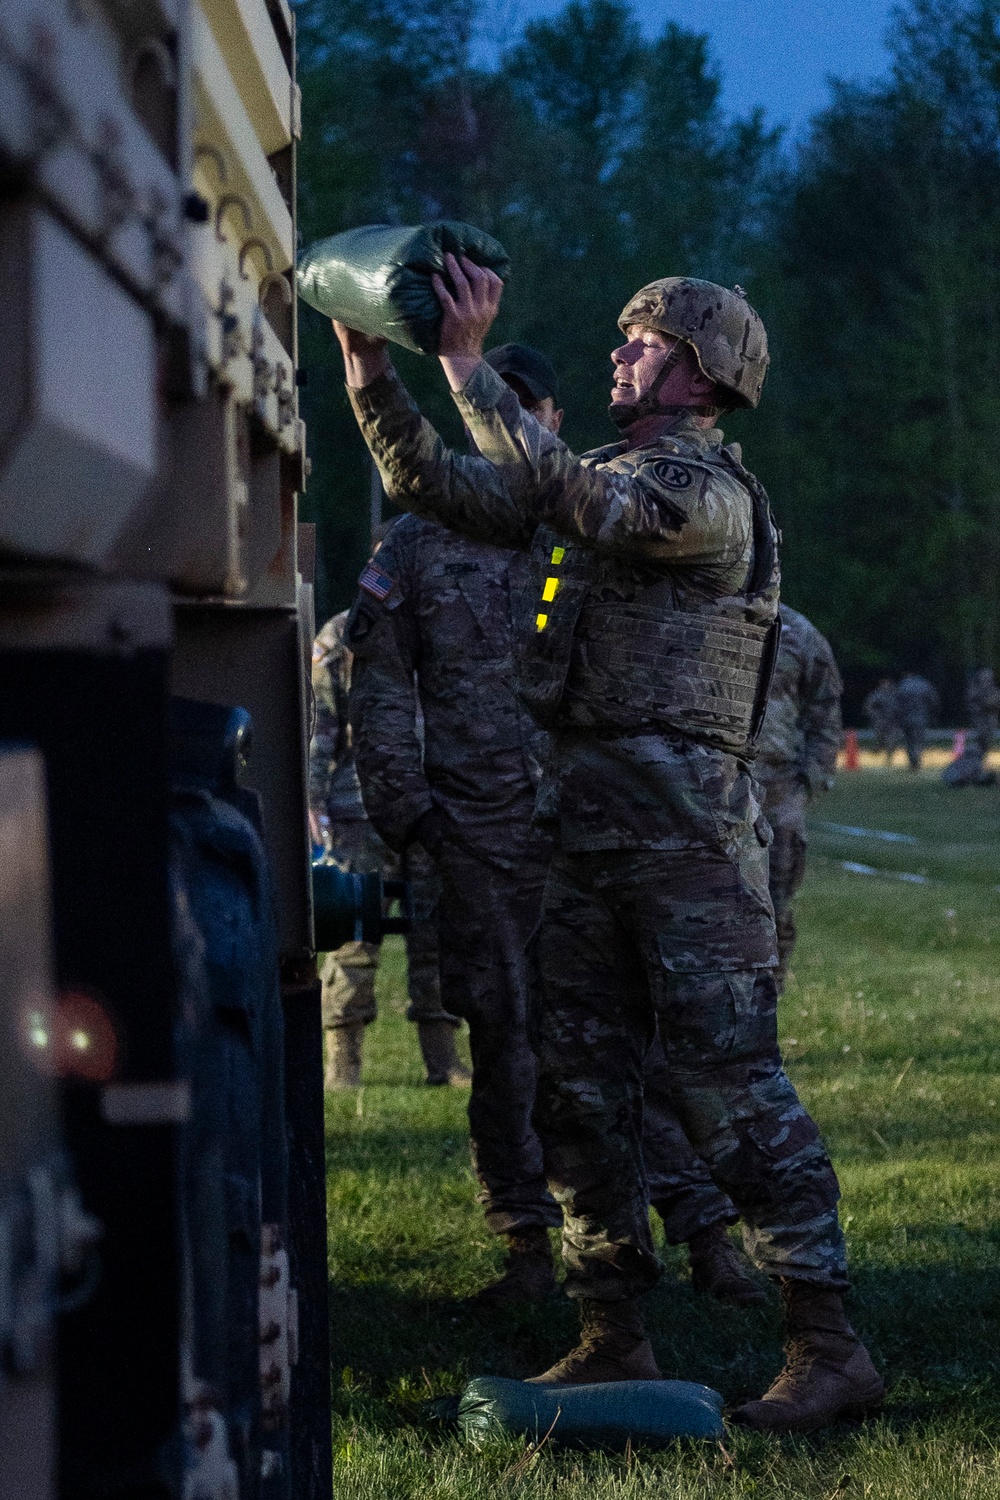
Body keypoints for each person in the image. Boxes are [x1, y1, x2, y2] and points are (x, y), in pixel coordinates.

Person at [332, 260, 882, 1430]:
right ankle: (607, 1326)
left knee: (727, 1089)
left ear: (702, 372)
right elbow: (441, 488)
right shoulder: (596, 476)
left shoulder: (704, 492)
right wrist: (375, 376)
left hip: (684, 843)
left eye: (641, 343)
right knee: (575, 1087)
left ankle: (826, 1341)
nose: (619, 357)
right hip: (577, 831)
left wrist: (471, 366)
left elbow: (589, 505)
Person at [348, 342, 761, 1308]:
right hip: (479, 828)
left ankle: (707, 1237)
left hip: (586, 816)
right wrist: (408, 807)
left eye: (524, 414)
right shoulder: (418, 539)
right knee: (505, 1039)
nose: (508, 433)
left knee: (642, 1040)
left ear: (548, 421)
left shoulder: (576, 517)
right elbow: (380, 686)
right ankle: (530, 1245)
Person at [309, 610, 469, 1089]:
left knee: (437, 936)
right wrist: (313, 801)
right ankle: (343, 1068)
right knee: (353, 937)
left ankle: (443, 1062)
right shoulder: (343, 633)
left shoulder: (444, 624)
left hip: (434, 805)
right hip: (362, 808)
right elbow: (320, 727)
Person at [755, 605, 842, 988]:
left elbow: (825, 710)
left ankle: (768, 999)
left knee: (775, 902)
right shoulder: (700, 612)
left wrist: (810, 781)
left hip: (777, 790)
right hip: (704, 789)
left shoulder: (797, 631)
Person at [895, 673, 939, 771]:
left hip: (905, 718)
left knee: (908, 741)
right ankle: (916, 760)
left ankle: (912, 762)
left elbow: (896, 702)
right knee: (918, 740)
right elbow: (933, 700)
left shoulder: (903, 685)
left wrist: (896, 718)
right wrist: (932, 714)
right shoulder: (924, 685)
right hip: (920, 717)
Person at [863, 678, 900, 763]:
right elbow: (869, 706)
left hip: (893, 722)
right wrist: (875, 716)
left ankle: (889, 758)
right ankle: (875, 750)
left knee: (893, 740)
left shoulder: (895, 695)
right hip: (881, 721)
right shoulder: (877, 695)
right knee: (880, 740)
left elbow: (900, 707)